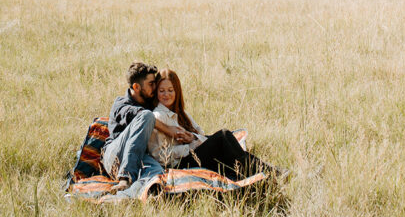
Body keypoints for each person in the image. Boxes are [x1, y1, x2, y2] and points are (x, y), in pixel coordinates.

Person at [148, 68, 277, 180]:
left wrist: (193, 138)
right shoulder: (158, 117)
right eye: (162, 91)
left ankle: (266, 172)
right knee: (223, 136)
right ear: (156, 93)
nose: (166, 95)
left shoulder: (180, 112)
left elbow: (200, 131)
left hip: (192, 152)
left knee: (228, 149)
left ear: (177, 91)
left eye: (170, 90)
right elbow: (158, 155)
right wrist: (189, 147)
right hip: (179, 164)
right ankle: (268, 172)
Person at [101, 62, 192, 195]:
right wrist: (168, 130)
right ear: (136, 87)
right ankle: (125, 178)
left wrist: (190, 136)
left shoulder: (150, 102)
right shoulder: (121, 104)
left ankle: (123, 197)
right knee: (146, 115)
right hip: (115, 156)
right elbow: (141, 116)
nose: (155, 87)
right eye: (151, 84)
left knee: (156, 175)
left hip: (140, 156)